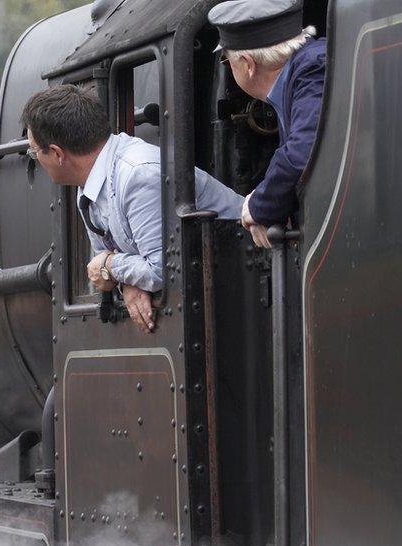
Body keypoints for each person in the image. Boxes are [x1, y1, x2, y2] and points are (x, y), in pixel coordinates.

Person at [21, 85, 245, 333]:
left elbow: (162, 270)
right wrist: (126, 281)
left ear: (56, 153)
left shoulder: (138, 175)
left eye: (34, 152)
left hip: (241, 283)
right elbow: (106, 264)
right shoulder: (87, 188)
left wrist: (112, 268)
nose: (36, 160)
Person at [209, 0, 326, 247]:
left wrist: (258, 206)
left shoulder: (313, 69)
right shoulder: (300, 75)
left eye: (226, 60)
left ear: (248, 64)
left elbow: (302, 152)